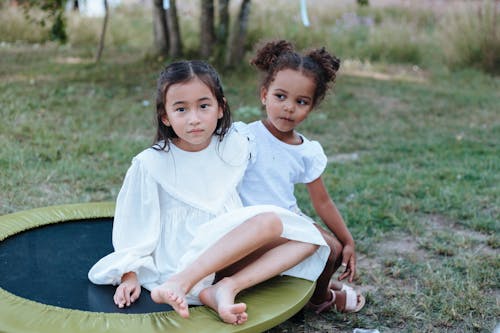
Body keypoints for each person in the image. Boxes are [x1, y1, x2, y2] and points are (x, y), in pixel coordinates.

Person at [88, 60, 330, 325]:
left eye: (204, 106)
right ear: (165, 116)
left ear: (219, 108)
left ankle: (226, 287)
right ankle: (181, 282)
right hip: (181, 257)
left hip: (228, 254)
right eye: (181, 109)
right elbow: (133, 226)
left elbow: (274, 157)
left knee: (309, 239)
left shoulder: (234, 145)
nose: (194, 119)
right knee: (273, 221)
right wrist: (129, 274)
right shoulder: (150, 164)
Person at [236, 40, 365, 314]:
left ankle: (319, 287)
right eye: (280, 96)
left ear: (312, 107)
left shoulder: (307, 151)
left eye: (301, 101)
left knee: (338, 249)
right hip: (250, 221)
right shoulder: (244, 136)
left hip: (287, 217)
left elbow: (323, 202)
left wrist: (349, 240)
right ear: (264, 95)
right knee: (328, 249)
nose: (288, 108)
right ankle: (320, 299)